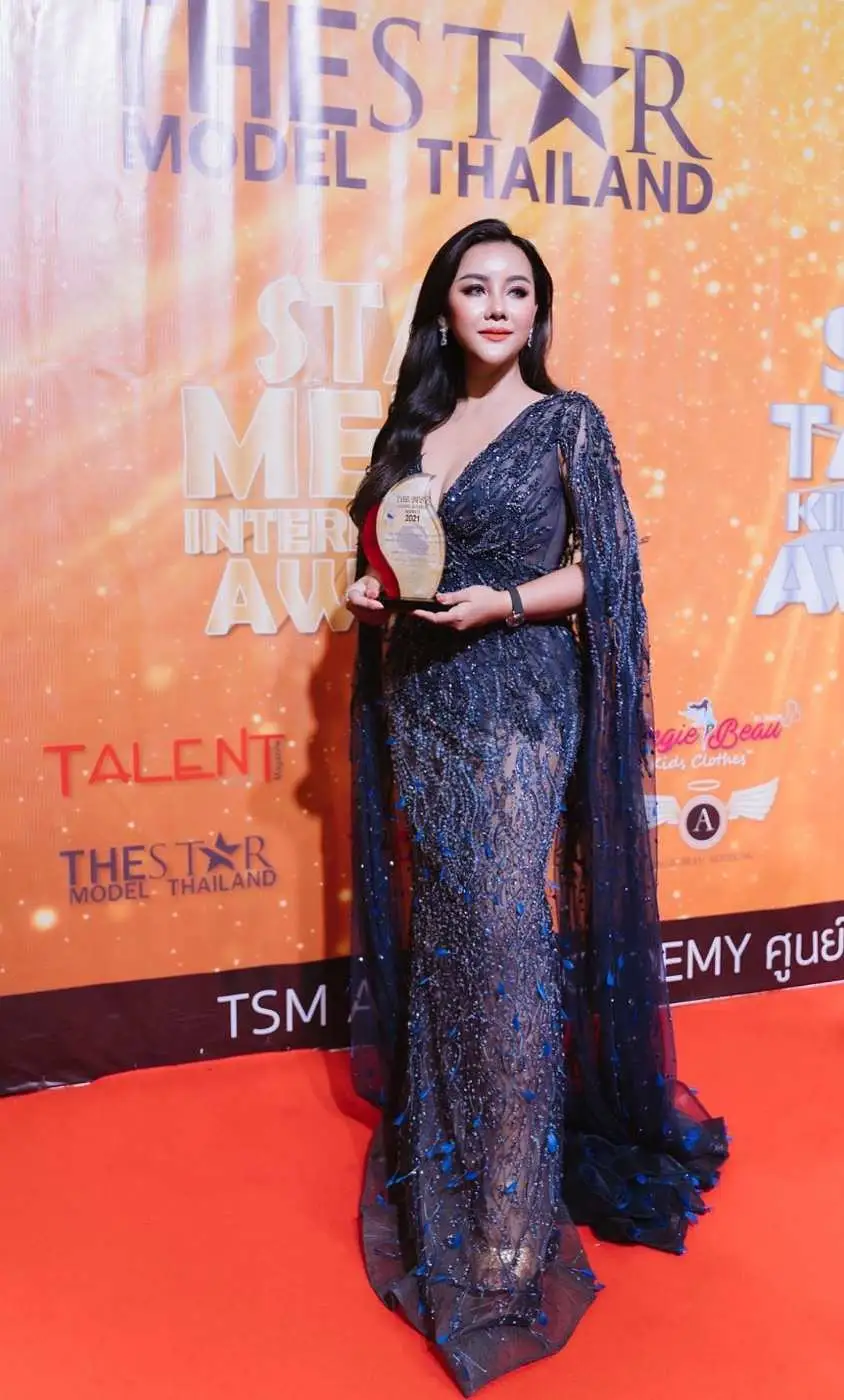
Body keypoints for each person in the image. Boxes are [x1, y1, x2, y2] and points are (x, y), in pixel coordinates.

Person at [345, 219, 728, 1396]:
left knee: (508, 940)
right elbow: (387, 555)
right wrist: (370, 595)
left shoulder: (569, 422)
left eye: (517, 288)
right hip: (423, 698)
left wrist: (505, 601)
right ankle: (449, 1165)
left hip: (518, 698)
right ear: (444, 308)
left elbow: (606, 571)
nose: (498, 304)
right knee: (453, 941)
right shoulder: (412, 431)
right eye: (476, 287)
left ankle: (509, 1220)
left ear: (537, 311)